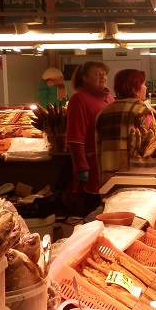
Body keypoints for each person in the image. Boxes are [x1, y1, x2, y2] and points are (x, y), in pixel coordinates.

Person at [65, 61, 114, 215]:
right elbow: (75, 138)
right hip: (92, 166)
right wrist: (81, 166)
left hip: (109, 164)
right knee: (94, 211)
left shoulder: (108, 98)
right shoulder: (79, 99)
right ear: (84, 78)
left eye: (104, 74)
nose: (103, 77)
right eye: (97, 74)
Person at [95, 69, 156, 186]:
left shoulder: (103, 112)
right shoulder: (142, 111)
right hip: (138, 179)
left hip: (109, 180)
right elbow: (154, 146)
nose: (145, 88)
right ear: (134, 88)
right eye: (143, 84)